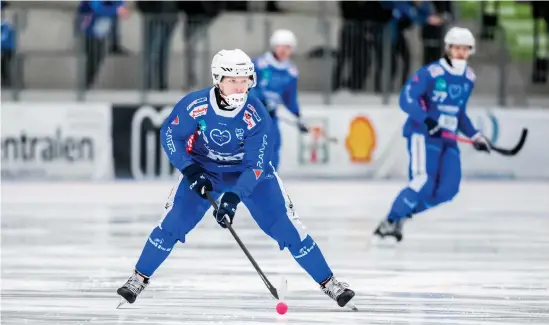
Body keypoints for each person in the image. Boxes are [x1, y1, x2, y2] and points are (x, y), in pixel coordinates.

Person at [116, 49, 356, 310]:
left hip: (251, 177)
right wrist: (190, 171)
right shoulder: (195, 105)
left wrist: (233, 198)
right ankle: (138, 278)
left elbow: (257, 164)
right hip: (205, 171)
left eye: (244, 80)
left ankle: (330, 283)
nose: (240, 87)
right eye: (233, 80)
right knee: (172, 224)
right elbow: (171, 135)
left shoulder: (256, 114)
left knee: (288, 229)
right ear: (218, 80)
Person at [373, 27, 491, 242]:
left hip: (448, 139)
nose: (460, 53)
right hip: (423, 135)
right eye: (456, 48)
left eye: (465, 49)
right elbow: (407, 99)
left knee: (448, 189)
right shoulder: (431, 73)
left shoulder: (469, 78)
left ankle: (403, 214)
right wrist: (426, 120)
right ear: (448, 48)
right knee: (423, 180)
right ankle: (390, 220)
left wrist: (475, 136)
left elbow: (459, 113)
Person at [251, 29, 308, 170]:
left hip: (270, 115)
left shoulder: (290, 71)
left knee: (274, 143)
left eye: (288, 47)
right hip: (252, 113)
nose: (284, 50)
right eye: (281, 46)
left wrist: (297, 115)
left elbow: (290, 97)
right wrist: (261, 101)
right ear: (274, 46)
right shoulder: (259, 64)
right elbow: (247, 86)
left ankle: (269, 178)